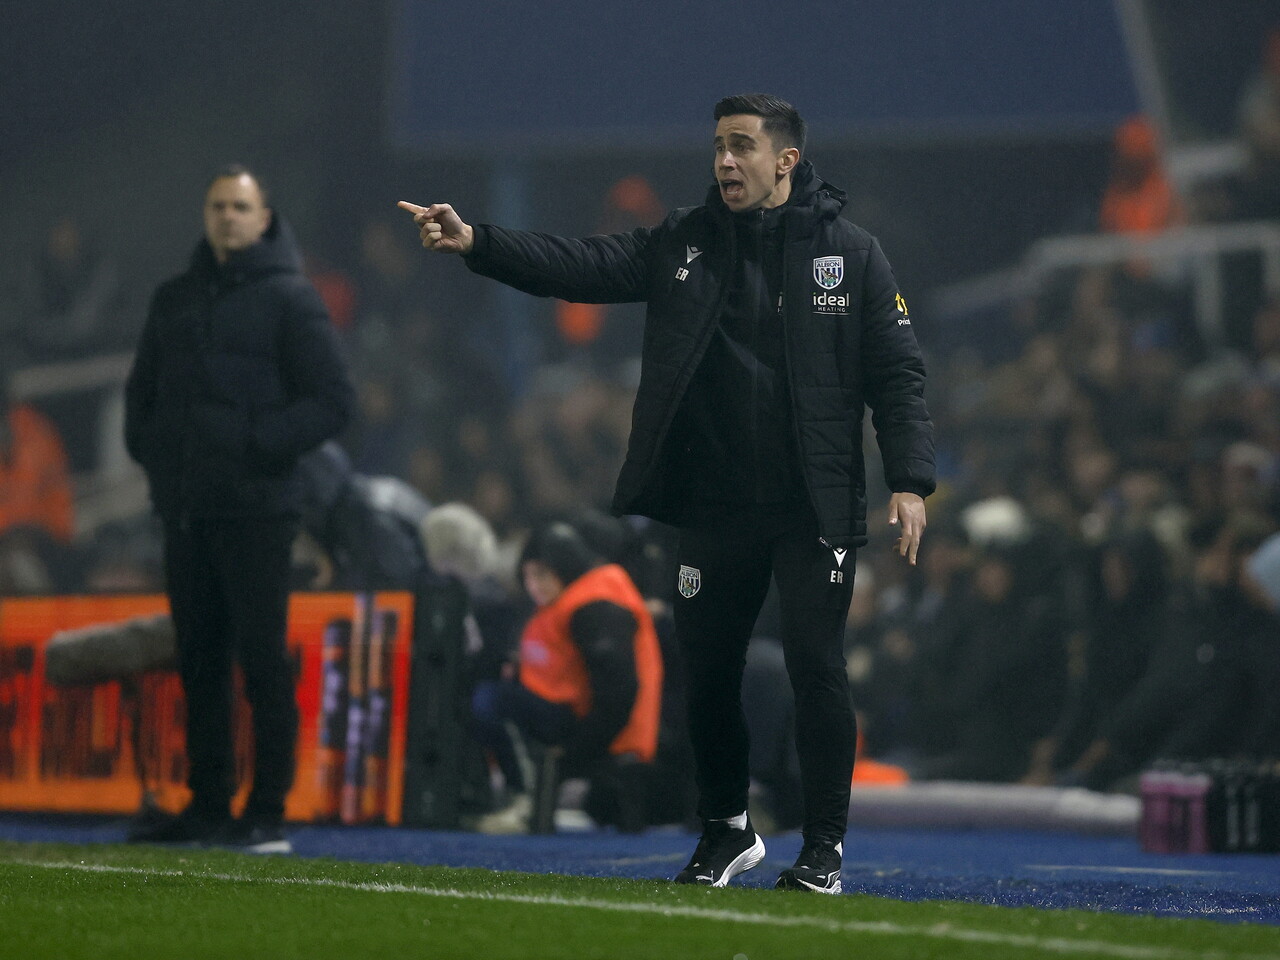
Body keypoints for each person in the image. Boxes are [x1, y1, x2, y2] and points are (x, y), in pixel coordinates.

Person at [399, 94, 934, 892]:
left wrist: (912, 481)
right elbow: (580, 267)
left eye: (742, 145)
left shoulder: (851, 255)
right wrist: (479, 241)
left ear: (786, 160)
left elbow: (897, 373)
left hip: (810, 503)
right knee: (707, 671)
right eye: (718, 145)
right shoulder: (686, 241)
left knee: (816, 668)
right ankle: (726, 832)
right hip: (712, 500)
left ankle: (823, 847)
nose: (725, 160)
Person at [124, 165, 354, 852]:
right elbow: (142, 393)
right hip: (187, 509)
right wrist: (153, 452)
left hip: (258, 510)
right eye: (218, 205)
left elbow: (334, 401)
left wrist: (256, 444)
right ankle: (209, 804)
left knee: (261, 661)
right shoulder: (174, 298)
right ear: (206, 214)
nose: (228, 216)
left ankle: (268, 809)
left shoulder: (292, 299)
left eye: (240, 206)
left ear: (264, 217)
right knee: (199, 662)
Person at [469, 521, 663, 834]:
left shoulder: (597, 605)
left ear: (565, 566)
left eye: (542, 574)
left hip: (597, 727)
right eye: (528, 576)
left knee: (490, 701)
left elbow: (619, 692)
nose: (534, 585)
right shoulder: (570, 599)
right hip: (578, 717)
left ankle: (526, 797)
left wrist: (575, 752)